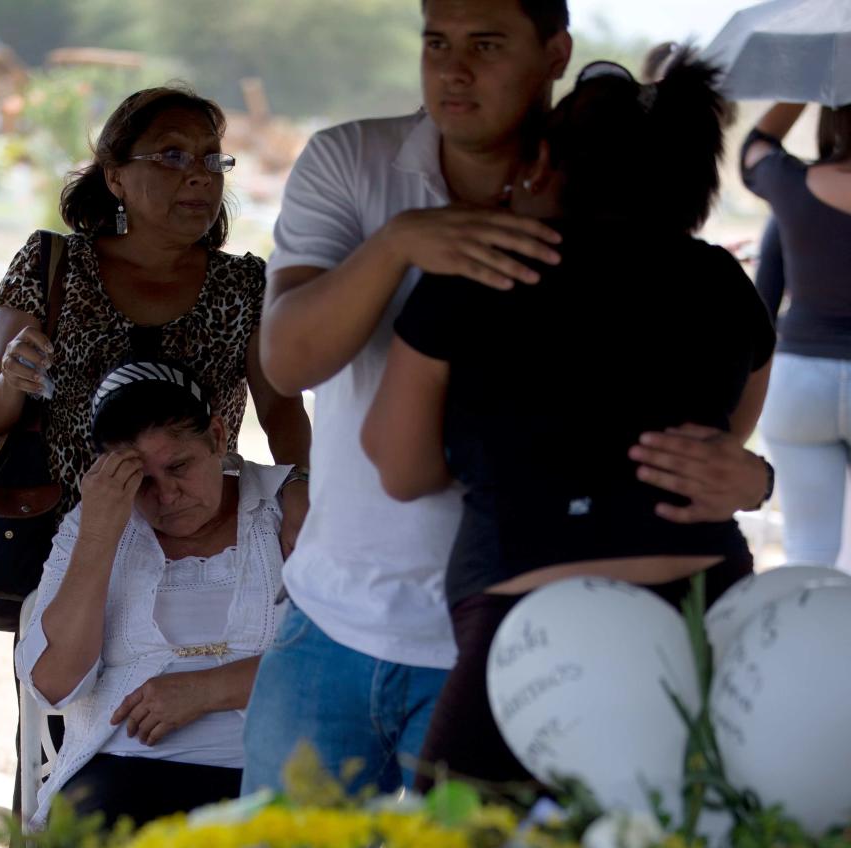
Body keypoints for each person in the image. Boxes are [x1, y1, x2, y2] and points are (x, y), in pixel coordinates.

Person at [242, 0, 774, 804]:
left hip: (509, 623)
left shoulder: (488, 273)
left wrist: (750, 478)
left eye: (485, 45)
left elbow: (404, 466)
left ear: (554, 57)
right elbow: (717, 446)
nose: (454, 69)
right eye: (437, 43)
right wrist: (400, 243)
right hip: (356, 613)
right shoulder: (724, 283)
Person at [0, 85, 310, 553]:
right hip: (71, 552)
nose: (199, 176)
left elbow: (281, 411)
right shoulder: (54, 267)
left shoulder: (247, 284)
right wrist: (12, 379)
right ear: (115, 178)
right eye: (172, 156)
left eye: (211, 159)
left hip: (204, 547)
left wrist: (302, 490)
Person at [16, 360, 288, 829]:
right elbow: (52, 686)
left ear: (218, 437)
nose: (166, 495)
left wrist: (205, 690)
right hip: (123, 771)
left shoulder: (285, 508)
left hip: (276, 769)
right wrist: (100, 534)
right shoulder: (97, 523)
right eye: (141, 479)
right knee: (104, 842)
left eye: (179, 466)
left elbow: (346, 657)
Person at [742, 101, 851, 566]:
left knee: (809, 550)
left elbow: (754, 148)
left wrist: (800, 83)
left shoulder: (790, 184)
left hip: (800, 379)